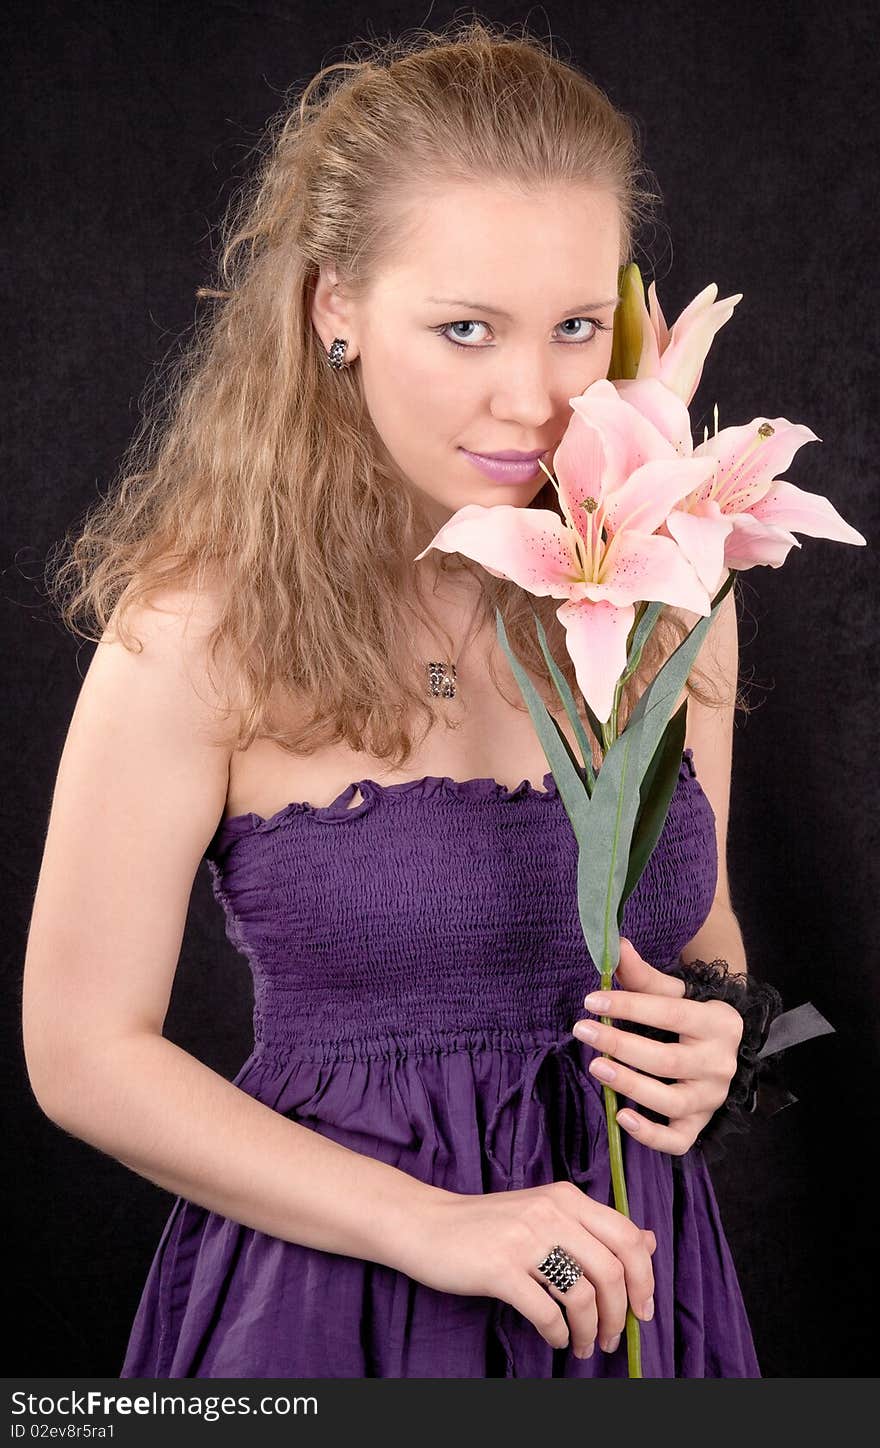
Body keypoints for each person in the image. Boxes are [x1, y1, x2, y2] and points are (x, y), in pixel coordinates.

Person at [22, 19, 763, 1378]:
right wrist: (436, 1229)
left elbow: (697, 932)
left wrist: (722, 1035)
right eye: (465, 327)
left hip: (636, 1291)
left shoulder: (668, 584)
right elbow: (80, 1052)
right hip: (341, 1308)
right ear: (334, 307)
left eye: (578, 327)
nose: (535, 397)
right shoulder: (199, 627)